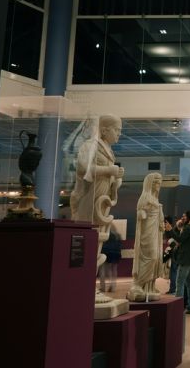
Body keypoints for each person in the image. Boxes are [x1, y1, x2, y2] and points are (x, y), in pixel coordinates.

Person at [70, 114, 124, 303]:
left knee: (99, 239)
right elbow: (83, 169)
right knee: (90, 239)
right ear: (104, 129)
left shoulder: (108, 150)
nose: (119, 134)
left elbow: (109, 177)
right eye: (116, 130)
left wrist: (117, 179)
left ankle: (89, 286)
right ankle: (83, 286)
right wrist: (109, 171)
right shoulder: (89, 145)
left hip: (102, 200)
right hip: (90, 198)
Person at [127, 172, 164, 302]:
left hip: (154, 233)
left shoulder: (155, 199)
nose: (158, 185)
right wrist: (143, 212)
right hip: (146, 235)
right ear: (150, 183)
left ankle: (149, 287)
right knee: (151, 257)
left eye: (160, 182)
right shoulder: (145, 198)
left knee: (156, 257)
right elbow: (140, 215)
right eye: (156, 182)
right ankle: (138, 284)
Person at [164, 210, 190, 314]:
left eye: (184, 216)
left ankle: (177, 306)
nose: (182, 218)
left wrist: (170, 230)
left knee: (180, 282)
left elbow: (180, 239)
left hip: (186, 260)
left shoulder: (189, 228)